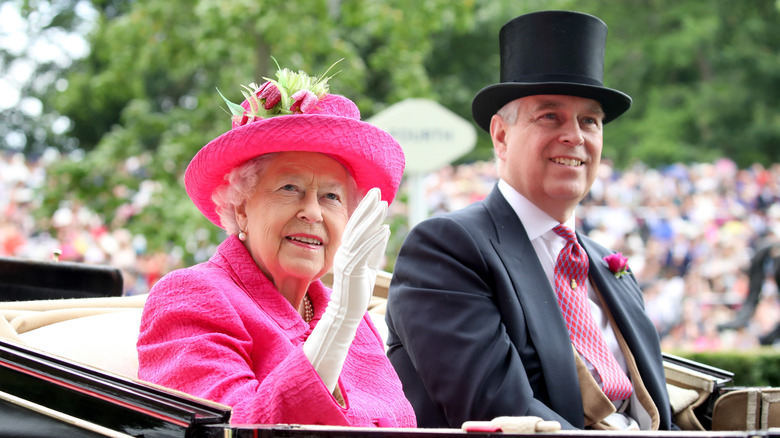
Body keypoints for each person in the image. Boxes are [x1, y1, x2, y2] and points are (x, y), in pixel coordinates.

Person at [385, 10, 673, 431]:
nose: (574, 136)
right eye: (550, 116)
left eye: (589, 120)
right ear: (501, 136)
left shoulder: (611, 267)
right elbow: (498, 411)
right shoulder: (449, 249)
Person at [137, 64, 416, 427]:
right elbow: (234, 430)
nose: (313, 212)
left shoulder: (347, 313)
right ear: (241, 206)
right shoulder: (189, 297)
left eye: (331, 196)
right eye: (290, 188)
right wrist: (338, 323)